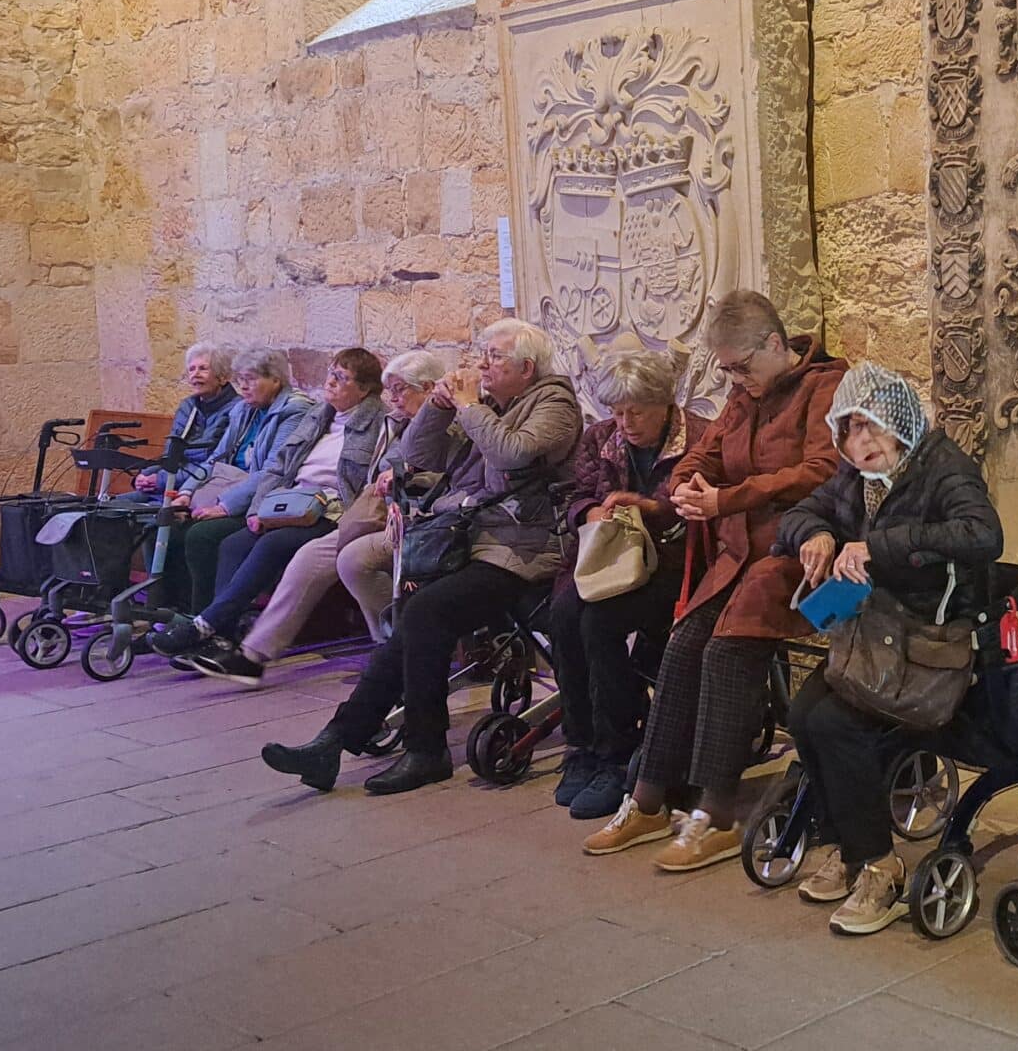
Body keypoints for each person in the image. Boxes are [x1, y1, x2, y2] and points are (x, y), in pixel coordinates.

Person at [582, 291, 846, 871]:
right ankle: (648, 800)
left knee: (727, 654)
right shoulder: (743, 395)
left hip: (799, 551)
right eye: (726, 370)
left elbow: (822, 471)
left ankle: (715, 813)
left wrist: (727, 499)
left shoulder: (826, 386)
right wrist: (685, 485)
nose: (735, 380)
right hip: (739, 554)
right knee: (682, 647)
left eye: (741, 367)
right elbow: (704, 453)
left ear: (775, 344)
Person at [260, 319, 580, 796]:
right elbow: (417, 456)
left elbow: (512, 454)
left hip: (525, 551)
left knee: (426, 611)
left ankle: (426, 750)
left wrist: (469, 406)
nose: (482, 364)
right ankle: (333, 741)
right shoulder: (494, 405)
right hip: (470, 542)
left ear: (527, 368)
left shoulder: (555, 404)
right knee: (414, 616)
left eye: (494, 357)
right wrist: (437, 406)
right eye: (483, 354)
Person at [778, 364, 1003, 935]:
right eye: (850, 429)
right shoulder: (856, 475)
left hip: (929, 643)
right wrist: (815, 534)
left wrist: (877, 547)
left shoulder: (942, 466)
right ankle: (849, 848)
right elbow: (799, 514)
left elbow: (983, 534)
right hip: (874, 636)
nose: (862, 442)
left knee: (835, 722)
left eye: (873, 426)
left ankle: (881, 865)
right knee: (803, 714)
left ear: (902, 421)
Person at [157, 347, 386, 680]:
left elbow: (369, 483)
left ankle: (206, 625)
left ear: (364, 389)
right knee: (234, 543)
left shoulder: (378, 422)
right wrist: (258, 509)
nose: (330, 382)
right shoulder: (320, 415)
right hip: (289, 503)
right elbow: (278, 467)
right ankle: (222, 637)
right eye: (331, 373)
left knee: (273, 543)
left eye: (342, 377)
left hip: (333, 510)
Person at [231, 350, 444, 680]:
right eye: (391, 390)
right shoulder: (395, 422)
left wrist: (403, 479)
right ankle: (253, 654)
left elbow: (445, 475)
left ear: (428, 388)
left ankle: (391, 648)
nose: (393, 399)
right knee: (309, 556)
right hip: (377, 514)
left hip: (421, 520)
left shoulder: (443, 422)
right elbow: (382, 470)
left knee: (354, 560)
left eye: (400, 390)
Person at [546, 350, 689, 821]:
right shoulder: (600, 438)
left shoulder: (697, 438)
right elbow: (576, 495)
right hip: (610, 559)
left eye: (637, 412)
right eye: (618, 411)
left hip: (670, 567)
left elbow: (694, 509)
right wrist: (589, 511)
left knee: (599, 622)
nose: (625, 423)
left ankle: (616, 749)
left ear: (664, 403)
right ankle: (581, 744)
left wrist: (652, 509)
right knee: (564, 613)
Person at [170, 348, 317, 610]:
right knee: (168, 523)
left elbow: (273, 470)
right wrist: (186, 492)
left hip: (259, 499)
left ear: (275, 380)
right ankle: (172, 611)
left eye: (250, 379)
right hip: (229, 488)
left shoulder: (295, 411)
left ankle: (202, 615)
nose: (243, 387)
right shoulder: (243, 409)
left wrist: (224, 506)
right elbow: (216, 458)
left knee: (202, 535)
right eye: (240, 380)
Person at [132, 342, 237, 494]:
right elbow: (170, 454)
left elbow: (214, 463)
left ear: (222, 377)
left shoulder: (237, 409)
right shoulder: (187, 406)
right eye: (191, 369)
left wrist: (162, 480)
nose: (195, 374)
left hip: (204, 487)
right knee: (118, 503)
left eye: (203, 368)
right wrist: (144, 475)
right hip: (173, 480)